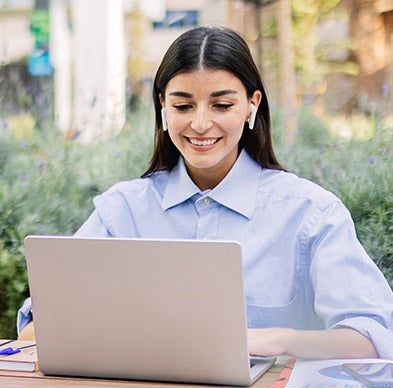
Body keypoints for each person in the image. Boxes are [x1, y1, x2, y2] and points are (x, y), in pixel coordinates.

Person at [18, 26, 393, 359]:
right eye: (183, 105)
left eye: (222, 105)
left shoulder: (311, 213)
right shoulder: (122, 211)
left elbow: (374, 338)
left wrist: (277, 339)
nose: (200, 124)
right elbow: (39, 326)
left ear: (252, 105)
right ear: (163, 107)